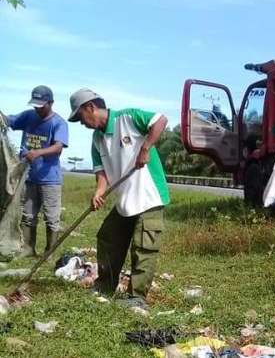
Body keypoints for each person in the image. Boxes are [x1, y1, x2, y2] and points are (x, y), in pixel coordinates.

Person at [68, 88, 170, 309]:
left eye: (80, 117)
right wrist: (99, 191)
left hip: (148, 196)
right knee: (108, 237)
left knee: (144, 247)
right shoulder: (97, 139)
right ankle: (104, 286)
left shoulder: (128, 117)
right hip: (125, 200)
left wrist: (146, 147)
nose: (81, 123)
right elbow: (102, 172)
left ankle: (137, 298)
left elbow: (160, 120)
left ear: (91, 108)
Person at [1, 85, 69, 257]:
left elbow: (58, 147)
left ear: (51, 103)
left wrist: (38, 152)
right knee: (28, 214)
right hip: (29, 177)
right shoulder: (28, 116)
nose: (37, 109)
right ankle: (28, 248)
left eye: (41, 105)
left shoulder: (58, 123)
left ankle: (49, 252)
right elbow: (9, 121)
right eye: (35, 105)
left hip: (50, 179)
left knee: (51, 217)